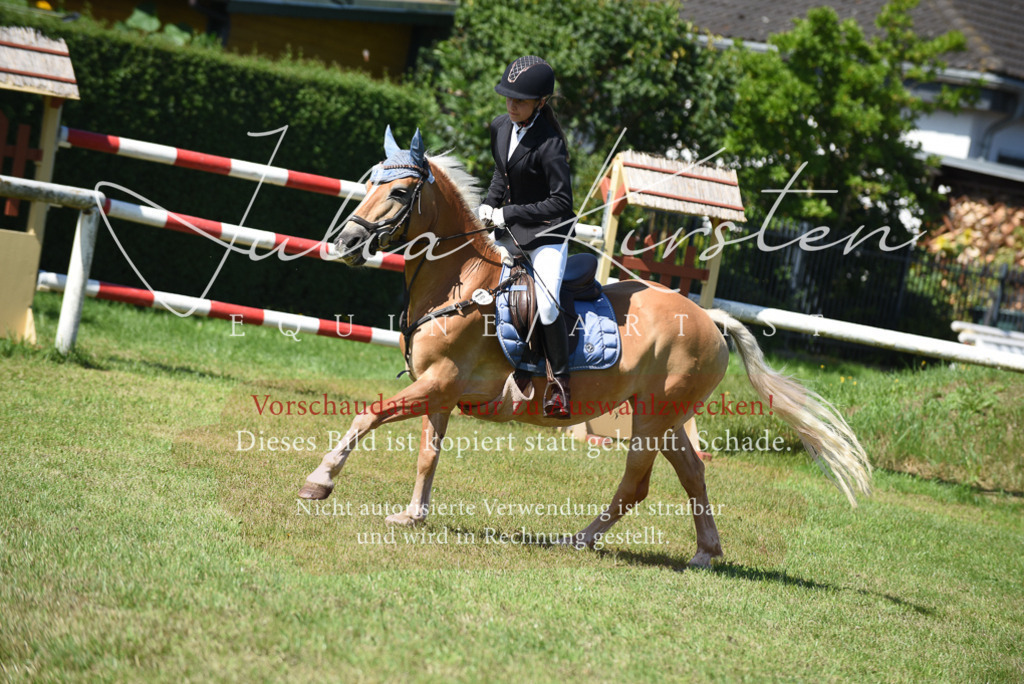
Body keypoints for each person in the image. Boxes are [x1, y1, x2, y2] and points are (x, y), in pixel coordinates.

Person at [477, 55, 576, 419]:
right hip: (510, 229)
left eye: (520, 100)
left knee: (547, 303)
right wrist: (488, 205)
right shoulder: (500, 126)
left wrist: (509, 213)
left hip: (549, 233)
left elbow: (561, 202)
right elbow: (502, 173)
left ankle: (560, 386)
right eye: (508, 97)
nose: (512, 105)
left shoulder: (550, 144)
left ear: (541, 102)